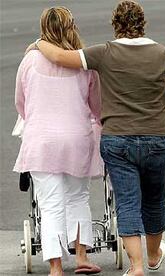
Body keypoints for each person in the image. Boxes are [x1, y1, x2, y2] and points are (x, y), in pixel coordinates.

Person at [29, 1, 165, 275]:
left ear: (116, 24)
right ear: (142, 23)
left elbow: (60, 57)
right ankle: (152, 256)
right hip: (157, 137)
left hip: (118, 139)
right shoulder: (163, 53)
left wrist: (40, 42)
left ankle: (136, 266)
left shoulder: (104, 52)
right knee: (154, 199)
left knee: (127, 202)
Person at [14, 7, 102, 276]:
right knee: (78, 197)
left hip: (41, 141)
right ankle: (83, 257)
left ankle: (55, 267)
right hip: (76, 139)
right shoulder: (83, 63)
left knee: (50, 204)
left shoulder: (29, 61)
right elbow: (97, 107)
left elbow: (21, 103)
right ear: (72, 26)